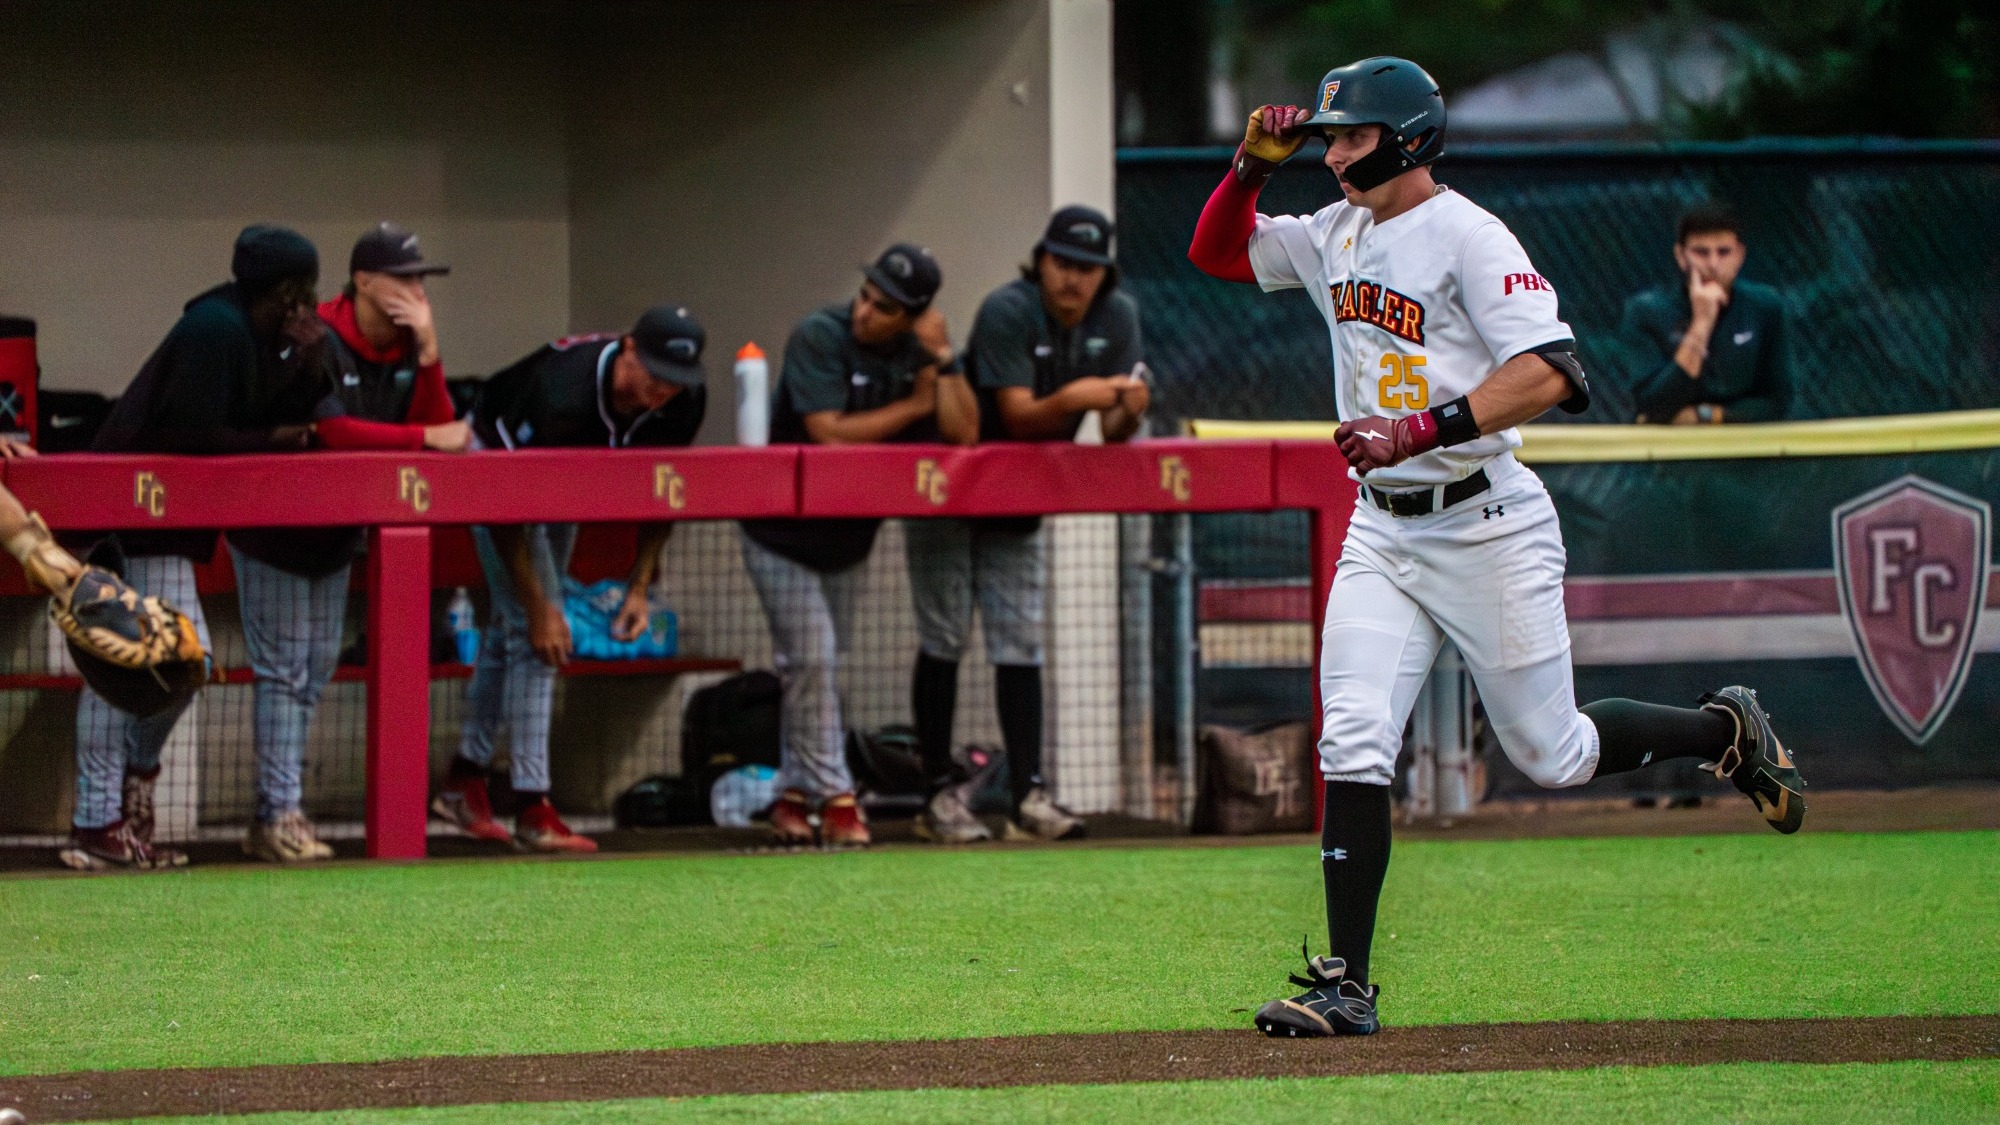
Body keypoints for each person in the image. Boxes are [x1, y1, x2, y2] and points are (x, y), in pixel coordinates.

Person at [1187, 57, 1807, 1039]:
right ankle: (1344, 983)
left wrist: (1417, 428)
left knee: (1549, 752)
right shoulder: (1333, 231)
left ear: (1408, 140)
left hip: (1485, 524)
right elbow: (1218, 255)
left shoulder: (1469, 236)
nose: (1334, 150)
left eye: (1350, 136)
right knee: (1350, 735)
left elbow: (1554, 372)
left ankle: (1720, 732)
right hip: (1380, 530)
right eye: (1330, 135)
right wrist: (1247, 170)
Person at [63, 225, 328, 871]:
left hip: (168, 527)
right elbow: (197, 437)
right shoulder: (216, 329)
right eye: (306, 291)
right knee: (124, 665)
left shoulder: (256, 334)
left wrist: (309, 362)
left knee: (180, 663)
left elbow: (280, 407)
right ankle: (98, 821)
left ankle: (129, 791)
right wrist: (274, 439)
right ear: (290, 290)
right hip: (128, 516)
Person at [213, 223, 471, 864]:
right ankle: (279, 814)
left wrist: (432, 348)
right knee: (283, 673)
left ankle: (277, 813)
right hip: (273, 528)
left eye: (421, 280)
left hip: (333, 536)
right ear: (362, 281)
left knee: (315, 672)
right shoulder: (317, 334)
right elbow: (332, 431)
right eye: (404, 278)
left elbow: (440, 427)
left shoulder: (408, 347)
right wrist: (420, 443)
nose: (415, 291)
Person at [432, 305, 707, 853]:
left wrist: (639, 585)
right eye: (653, 375)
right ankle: (533, 806)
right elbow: (504, 502)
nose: (662, 392)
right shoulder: (563, 391)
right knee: (542, 635)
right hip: (492, 461)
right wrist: (539, 607)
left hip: (566, 477)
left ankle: (465, 780)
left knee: (514, 630)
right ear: (628, 348)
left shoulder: (683, 398)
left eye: (674, 383)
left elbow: (662, 492)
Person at [908, 206, 1144, 845]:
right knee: (944, 638)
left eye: (1088, 269)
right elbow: (1016, 418)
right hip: (954, 489)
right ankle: (935, 797)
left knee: (1020, 643)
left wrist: (1127, 409)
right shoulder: (1008, 309)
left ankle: (1026, 798)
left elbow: (1117, 432)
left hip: (1019, 501)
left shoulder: (1116, 316)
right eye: (1064, 264)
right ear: (1041, 261)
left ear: (1104, 274)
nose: (1074, 280)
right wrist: (1076, 400)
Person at [739, 244, 973, 847]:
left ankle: (792, 797)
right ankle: (839, 797)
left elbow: (964, 433)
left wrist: (943, 361)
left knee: (814, 667)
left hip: (848, 538)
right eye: (865, 296)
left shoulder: (922, 354)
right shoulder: (820, 334)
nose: (865, 311)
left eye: (885, 307)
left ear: (913, 316)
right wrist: (913, 405)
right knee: (813, 658)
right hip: (776, 531)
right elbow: (828, 435)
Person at [1623, 202, 1793, 424]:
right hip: (1667, 452)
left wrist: (1707, 416)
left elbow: (1777, 402)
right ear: (1681, 256)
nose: (1713, 264)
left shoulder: (1766, 306)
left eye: (1724, 252)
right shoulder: (1645, 311)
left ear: (1740, 256)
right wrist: (1702, 323)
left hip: (1745, 450)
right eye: (1701, 252)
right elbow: (1652, 406)